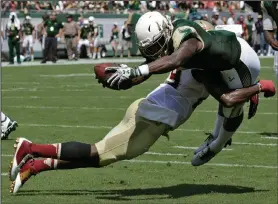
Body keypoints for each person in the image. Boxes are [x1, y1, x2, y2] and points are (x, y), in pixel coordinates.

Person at [9, 20, 276, 194]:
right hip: (155, 117)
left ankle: (38, 164)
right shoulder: (200, 65)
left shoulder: (191, 52)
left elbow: (169, 62)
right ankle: (31, 150)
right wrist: (257, 87)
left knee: (99, 156)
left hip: (152, 108)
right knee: (98, 153)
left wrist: (128, 76)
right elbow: (227, 98)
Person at [103, 11, 276, 166]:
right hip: (212, 64)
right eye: (151, 48)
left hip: (240, 64)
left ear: (165, 31)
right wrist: (126, 80)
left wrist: (253, 88)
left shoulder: (184, 35)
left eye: (157, 45)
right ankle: (217, 134)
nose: (155, 51)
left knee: (229, 103)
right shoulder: (171, 35)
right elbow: (154, 65)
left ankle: (218, 143)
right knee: (205, 82)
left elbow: (175, 61)